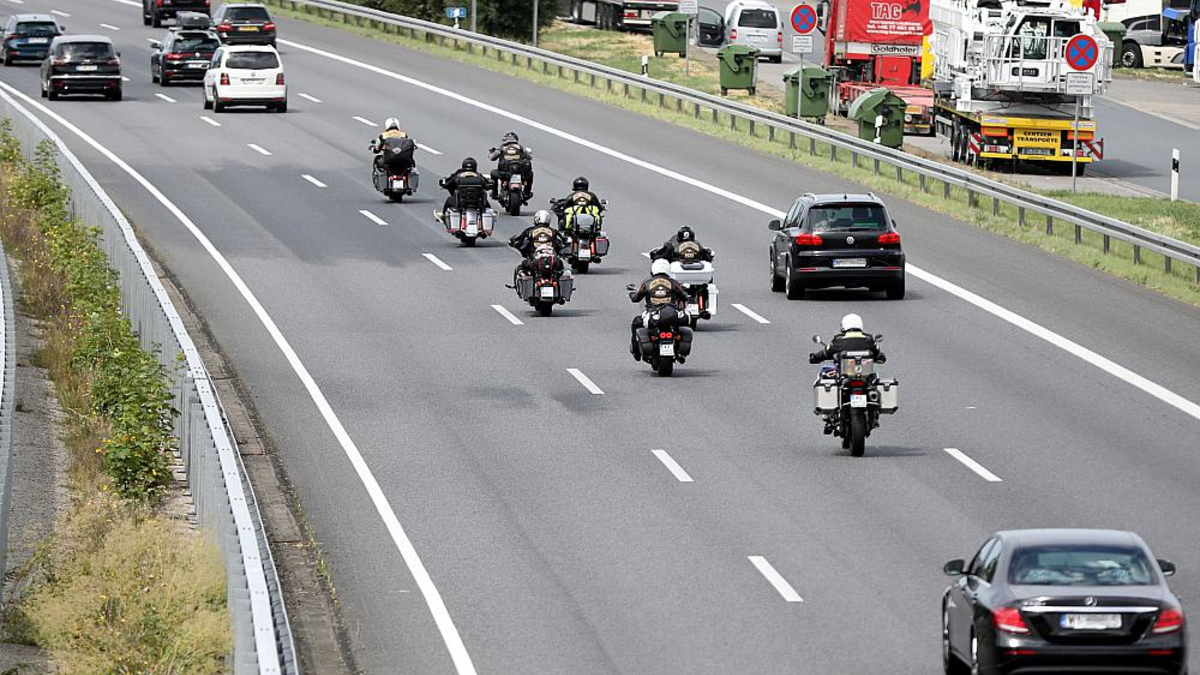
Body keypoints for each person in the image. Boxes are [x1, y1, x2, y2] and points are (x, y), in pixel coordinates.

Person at [628, 258, 689, 361]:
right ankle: (679, 350)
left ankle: (636, 352)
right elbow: (684, 297)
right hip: (672, 314)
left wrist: (632, 294)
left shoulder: (647, 283)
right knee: (684, 321)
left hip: (653, 315)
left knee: (636, 323)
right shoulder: (673, 283)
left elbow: (636, 298)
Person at [509, 211, 567, 287]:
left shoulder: (530, 231)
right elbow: (562, 243)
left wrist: (514, 243)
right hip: (553, 260)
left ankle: (519, 287)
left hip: (534, 261)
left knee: (521, 267)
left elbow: (518, 242)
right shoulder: (553, 231)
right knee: (561, 268)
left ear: (536, 219)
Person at [808, 314, 886, 365]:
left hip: (845, 376)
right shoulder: (869, 339)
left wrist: (815, 357)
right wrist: (881, 357)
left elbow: (825, 352)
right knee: (874, 377)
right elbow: (878, 354)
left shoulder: (838, 339)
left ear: (843, 326)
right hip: (864, 377)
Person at [489, 131, 534, 199]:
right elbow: (529, 157)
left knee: (493, 173)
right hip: (520, 172)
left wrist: (490, 154)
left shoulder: (502, 147)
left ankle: (494, 193)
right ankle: (527, 192)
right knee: (530, 174)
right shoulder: (520, 147)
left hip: (504, 173)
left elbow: (492, 158)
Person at [649, 226, 714, 263]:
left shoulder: (671, 245)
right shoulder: (698, 245)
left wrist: (655, 255)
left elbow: (660, 255)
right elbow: (708, 255)